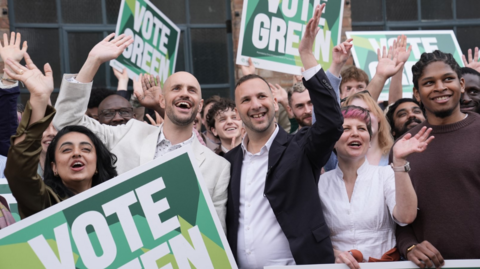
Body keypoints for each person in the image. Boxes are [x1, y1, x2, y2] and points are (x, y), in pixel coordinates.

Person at [52, 33, 230, 231]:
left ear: (200, 105)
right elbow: (66, 119)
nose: (185, 93)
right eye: (176, 88)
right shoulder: (128, 133)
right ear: (162, 100)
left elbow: (216, 234)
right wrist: (93, 61)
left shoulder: (218, 167)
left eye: (192, 90)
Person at [225, 4, 343, 267]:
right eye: (246, 100)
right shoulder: (228, 161)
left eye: (262, 96)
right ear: (237, 110)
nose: (255, 105)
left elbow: (332, 122)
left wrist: (307, 56)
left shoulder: (301, 147)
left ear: (275, 103)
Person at [3, 53, 118, 218]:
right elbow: (19, 174)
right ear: (54, 167)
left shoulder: (120, 202)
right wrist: (39, 99)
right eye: (66, 150)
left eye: (86, 149)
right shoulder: (45, 203)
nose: (76, 153)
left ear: (98, 164)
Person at [319, 106, 433, 269]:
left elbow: (406, 216)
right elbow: (311, 235)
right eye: (346, 128)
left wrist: (400, 163)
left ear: (369, 140)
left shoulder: (386, 174)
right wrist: (333, 253)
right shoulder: (320, 184)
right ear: (333, 141)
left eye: (361, 128)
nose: (355, 133)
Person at [395, 50, 480, 268]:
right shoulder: (403, 146)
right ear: (416, 93)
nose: (440, 87)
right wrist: (410, 246)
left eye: (448, 79)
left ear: (461, 84)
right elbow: (396, 214)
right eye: (429, 82)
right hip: (429, 266)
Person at [344, 92, 394, 166]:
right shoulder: (337, 159)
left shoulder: (396, 155)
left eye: (366, 111)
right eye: (353, 113)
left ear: (378, 116)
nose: (361, 116)